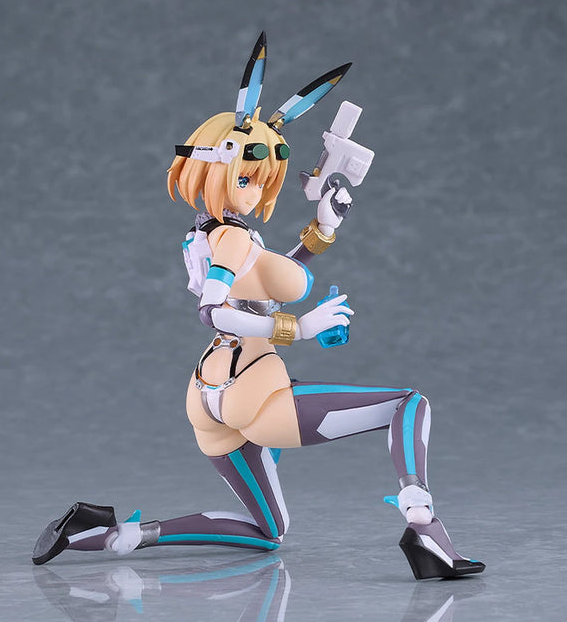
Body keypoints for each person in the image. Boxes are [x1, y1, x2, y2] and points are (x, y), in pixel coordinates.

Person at [33, 33, 484, 580]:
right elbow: (213, 311)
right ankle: (423, 525)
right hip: (254, 389)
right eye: (248, 175)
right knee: (408, 405)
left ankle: (110, 535)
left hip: (207, 395)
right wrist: (300, 328)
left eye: (264, 176)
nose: (256, 187)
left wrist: (322, 230)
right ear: (214, 168)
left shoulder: (211, 234)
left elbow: (261, 282)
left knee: (269, 530)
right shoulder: (231, 238)